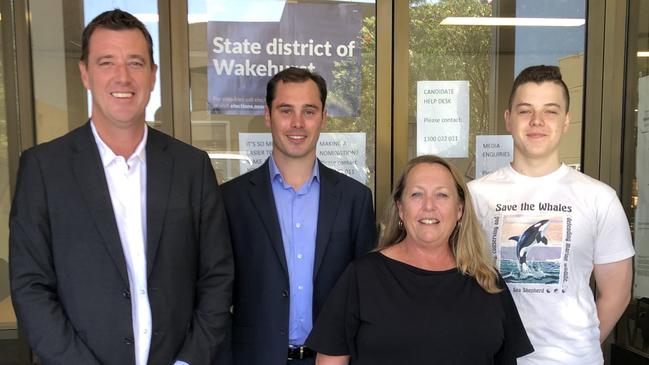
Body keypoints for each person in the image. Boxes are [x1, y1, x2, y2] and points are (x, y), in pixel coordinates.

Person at [9, 9, 233, 365]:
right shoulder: (43, 169)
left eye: (135, 63)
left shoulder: (192, 166)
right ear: (85, 73)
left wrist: (190, 360)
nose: (122, 77)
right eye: (106, 62)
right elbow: (30, 287)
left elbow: (217, 277)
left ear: (153, 74)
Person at [468, 65, 635, 364]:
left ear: (566, 120)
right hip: (493, 358)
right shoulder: (475, 196)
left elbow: (617, 292)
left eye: (551, 111)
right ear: (508, 119)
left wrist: (578, 345)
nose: (537, 121)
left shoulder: (599, 198)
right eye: (525, 110)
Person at [306, 155, 533, 365]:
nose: (429, 206)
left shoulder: (488, 282)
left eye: (442, 195)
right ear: (401, 209)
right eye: (416, 194)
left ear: (460, 210)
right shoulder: (362, 277)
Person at [220, 67, 376, 365]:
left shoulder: (355, 200)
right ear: (268, 115)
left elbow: (365, 296)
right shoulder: (231, 200)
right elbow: (217, 291)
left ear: (323, 118)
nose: (297, 123)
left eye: (309, 111)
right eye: (285, 110)